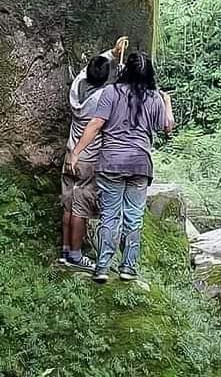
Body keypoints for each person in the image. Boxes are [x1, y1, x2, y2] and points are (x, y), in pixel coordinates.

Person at [68, 51, 174, 283]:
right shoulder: (155, 98)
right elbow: (167, 127)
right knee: (134, 218)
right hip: (140, 165)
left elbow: (95, 124)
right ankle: (128, 268)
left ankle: (103, 267)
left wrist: (76, 152)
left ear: (125, 70)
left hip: (111, 163)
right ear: (149, 74)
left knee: (109, 217)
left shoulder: (111, 92)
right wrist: (167, 102)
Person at [60, 35, 128, 272]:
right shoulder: (103, 98)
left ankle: (66, 250)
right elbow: (120, 93)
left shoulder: (77, 87)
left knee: (69, 203)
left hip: (70, 153)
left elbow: (91, 67)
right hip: (87, 157)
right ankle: (76, 256)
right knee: (81, 208)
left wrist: (112, 51)